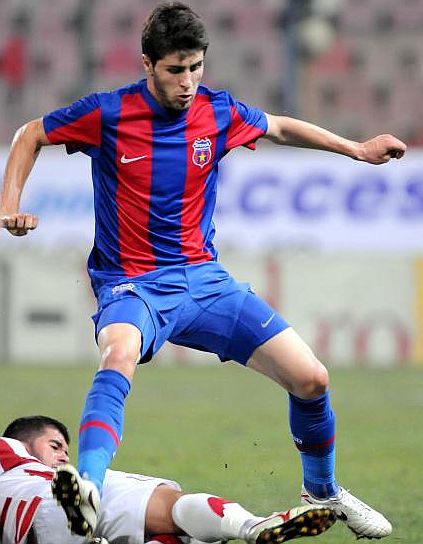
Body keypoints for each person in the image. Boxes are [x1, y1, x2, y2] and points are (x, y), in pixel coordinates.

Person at [0, 1, 405, 540]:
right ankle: (87, 490)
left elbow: (280, 127)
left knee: (312, 378)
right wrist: (9, 205)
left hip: (205, 281)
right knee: (118, 354)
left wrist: (356, 148)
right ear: (148, 64)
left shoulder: (218, 110)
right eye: (175, 70)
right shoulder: (108, 113)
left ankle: (322, 490)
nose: (187, 81)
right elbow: (30, 133)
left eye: (196, 67)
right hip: (134, 285)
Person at [0, 415, 336, 544]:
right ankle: (248, 526)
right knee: (176, 512)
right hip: (51, 497)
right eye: (54, 445)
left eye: (66, 449)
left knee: (185, 530)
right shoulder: (9, 453)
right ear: (21, 443)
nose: (64, 455)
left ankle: (251, 527)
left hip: (62, 507)